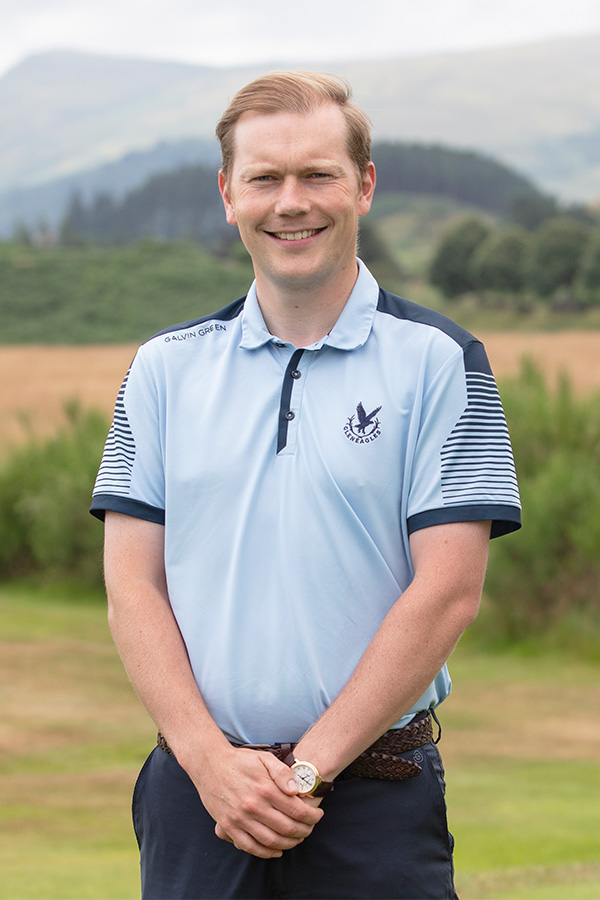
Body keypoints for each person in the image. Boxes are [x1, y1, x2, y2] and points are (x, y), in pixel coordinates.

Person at [90, 70, 521, 900]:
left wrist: (304, 772)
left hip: (375, 798)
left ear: (364, 185)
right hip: (201, 794)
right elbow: (131, 586)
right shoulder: (162, 369)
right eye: (265, 178)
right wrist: (212, 765)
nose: (292, 202)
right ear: (228, 194)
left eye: (318, 174)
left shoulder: (442, 361)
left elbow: (448, 593)